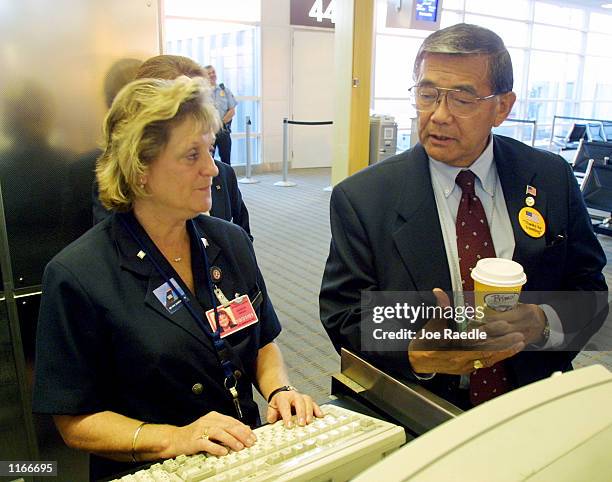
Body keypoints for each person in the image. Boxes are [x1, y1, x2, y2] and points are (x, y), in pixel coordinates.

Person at [33, 76, 321, 481]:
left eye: (209, 149)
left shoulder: (229, 241)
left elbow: (262, 342)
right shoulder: (78, 275)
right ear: (140, 170)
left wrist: (280, 391)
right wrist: (174, 438)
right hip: (156, 470)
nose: (213, 168)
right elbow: (74, 420)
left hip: (245, 457)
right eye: (191, 156)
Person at [319, 23, 607, 410]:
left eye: (462, 99)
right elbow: (344, 313)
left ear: (502, 106)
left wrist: (541, 321)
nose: (438, 115)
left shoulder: (549, 177)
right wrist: (415, 350)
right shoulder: (364, 198)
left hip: (537, 397)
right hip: (425, 404)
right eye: (427, 94)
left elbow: (590, 290)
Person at [93, 55, 252, 239]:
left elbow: (242, 238)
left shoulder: (223, 176)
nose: (211, 169)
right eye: (191, 154)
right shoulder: (117, 191)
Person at [205, 64, 236, 165]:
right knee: (209, 160)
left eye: (213, 72)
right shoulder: (202, 92)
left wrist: (220, 123)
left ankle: (226, 180)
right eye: (209, 73)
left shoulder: (224, 90)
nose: (212, 75)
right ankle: (211, 181)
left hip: (223, 131)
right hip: (209, 131)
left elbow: (232, 111)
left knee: (226, 160)